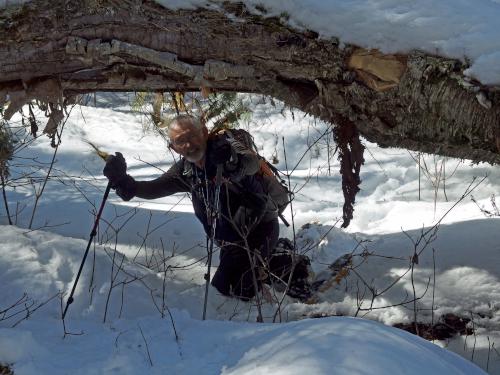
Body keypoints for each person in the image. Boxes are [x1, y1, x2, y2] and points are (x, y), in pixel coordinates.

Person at [103, 114, 291, 301]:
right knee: (222, 291)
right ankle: (277, 258)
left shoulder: (225, 147)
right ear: (174, 148)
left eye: (192, 135)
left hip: (261, 229)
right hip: (231, 240)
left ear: (204, 132)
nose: (188, 144)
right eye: (180, 141)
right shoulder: (187, 171)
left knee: (242, 292)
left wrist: (233, 163)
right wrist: (124, 182)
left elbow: (251, 162)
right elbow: (154, 188)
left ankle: (283, 262)